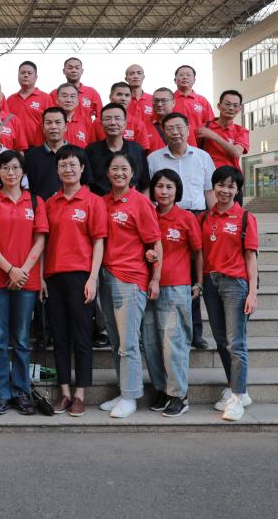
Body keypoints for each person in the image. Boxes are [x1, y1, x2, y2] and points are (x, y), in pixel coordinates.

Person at [0, 150, 48, 415]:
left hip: (26, 280)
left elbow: (40, 240)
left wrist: (23, 271)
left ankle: (21, 391)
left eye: (15, 167)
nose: (10, 172)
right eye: (5, 167)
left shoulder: (36, 201)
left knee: (21, 338)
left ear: (23, 171)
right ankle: (1, 392)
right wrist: (10, 270)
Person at [96, 152, 162, 418]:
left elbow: (155, 242)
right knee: (115, 341)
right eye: (114, 168)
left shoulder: (140, 202)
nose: (119, 173)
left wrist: (155, 278)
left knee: (129, 342)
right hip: (106, 277)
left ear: (133, 173)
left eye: (124, 168)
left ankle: (130, 397)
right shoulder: (102, 202)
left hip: (131, 279)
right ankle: (124, 390)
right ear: (107, 173)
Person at [42, 145, 105, 417]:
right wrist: (41, 277)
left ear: (82, 169)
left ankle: (80, 394)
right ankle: (65, 392)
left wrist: (93, 278)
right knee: (59, 337)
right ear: (57, 170)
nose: (68, 169)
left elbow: (99, 242)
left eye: (72, 165)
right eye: (63, 165)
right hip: (53, 276)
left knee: (81, 337)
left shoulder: (93, 201)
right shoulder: (49, 203)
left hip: (81, 276)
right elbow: (43, 242)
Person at [148, 111, 215, 349]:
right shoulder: (154, 159)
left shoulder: (203, 157)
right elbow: (149, 194)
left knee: (193, 275)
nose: (175, 132)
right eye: (169, 128)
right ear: (163, 132)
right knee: (162, 268)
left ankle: (194, 332)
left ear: (188, 129)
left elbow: (209, 191)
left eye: (179, 127)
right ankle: (156, 328)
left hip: (195, 216)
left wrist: (213, 219)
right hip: (163, 217)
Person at [201, 166, 259, 422]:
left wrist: (252, 292)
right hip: (210, 283)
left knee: (236, 343)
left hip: (235, 284)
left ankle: (237, 396)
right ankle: (236, 388)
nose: (225, 190)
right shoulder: (205, 217)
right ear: (213, 187)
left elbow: (251, 257)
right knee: (222, 340)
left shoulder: (245, 218)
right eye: (221, 185)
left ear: (237, 190)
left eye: (231, 186)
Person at [142, 169, 201, 418]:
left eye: (169, 187)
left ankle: (179, 395)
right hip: (146, 287)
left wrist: (199, 283)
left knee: (173, 344)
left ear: (177, 190)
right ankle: (162, 390)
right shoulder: (147, 214)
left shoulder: (186, 218)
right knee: (151, 343)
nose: (164, 191)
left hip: (176, 287)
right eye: (159, 186)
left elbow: (198, 252)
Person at [86, 103, 149, 195]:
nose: (113, 123)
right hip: (100, 202)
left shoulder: (137, 150)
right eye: (107, 119)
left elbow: (145, 185)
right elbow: (87, 184)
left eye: (117, 118)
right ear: (101, 124)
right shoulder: (91, 151)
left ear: (125, 123)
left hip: (132, 203)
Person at [24, 106, 84, 200]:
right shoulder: (30, 156)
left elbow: (86, 185)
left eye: (58, 122)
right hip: (41, 207)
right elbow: (26, 187)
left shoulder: (79, 153)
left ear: (65, 127)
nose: (53, 127)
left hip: (73, 206)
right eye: (49, 123)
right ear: (43, 128)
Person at [197, 89, 249, 171]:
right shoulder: (203, 128)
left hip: (230, 176)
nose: (231, 108)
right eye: (227, 104)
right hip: (206, 175)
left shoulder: (241, 131)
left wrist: (214, 136)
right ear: (219, 106)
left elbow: (236, 153)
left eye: (235, 106)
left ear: (239, 109)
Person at [7, 60, 50, 146]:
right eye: (22, 73)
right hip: (15, 147)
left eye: (29, 73)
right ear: (18, 76)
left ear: (36, 77)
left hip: (38, 146)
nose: (26, 75)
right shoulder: (10, 100)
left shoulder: (46, 98)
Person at [102, 82, 153, 152]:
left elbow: (141, 153)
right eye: (119, 94)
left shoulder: (138, 124)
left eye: (127, 95)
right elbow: (92, 150)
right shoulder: (97, 122)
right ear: (110, 97)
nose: (123, 98)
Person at [172, 65, 215, 145]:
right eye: (181, 75)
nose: (185, 77)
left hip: (198, 145)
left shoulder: (203, 101)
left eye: (188, 75)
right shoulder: (169, 100)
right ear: (175, 80)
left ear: (194, 80)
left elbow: (211, 125)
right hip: (172, 144)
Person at [50, 57, 102, 121]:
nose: (74, 70)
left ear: (82, 71)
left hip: (86, 127)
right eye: (70, 68)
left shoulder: (92, 92)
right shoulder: (54, 93)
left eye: (77, 68)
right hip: (62, 127)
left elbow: (100, 116)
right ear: (64, 71)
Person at [55, 82, 94, 148]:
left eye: (72, 96)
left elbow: (92, 147)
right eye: (64, 96)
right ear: (57, 100)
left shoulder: (86, 122)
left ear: (78, 101)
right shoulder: (47, 122)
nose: (68, 100)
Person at [124, 64, 153, 130]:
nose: (136, 76)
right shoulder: (121, 101)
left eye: (139, 73)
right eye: (131, 74)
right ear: (126, 79)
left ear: (143, 77)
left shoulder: (153, 99)